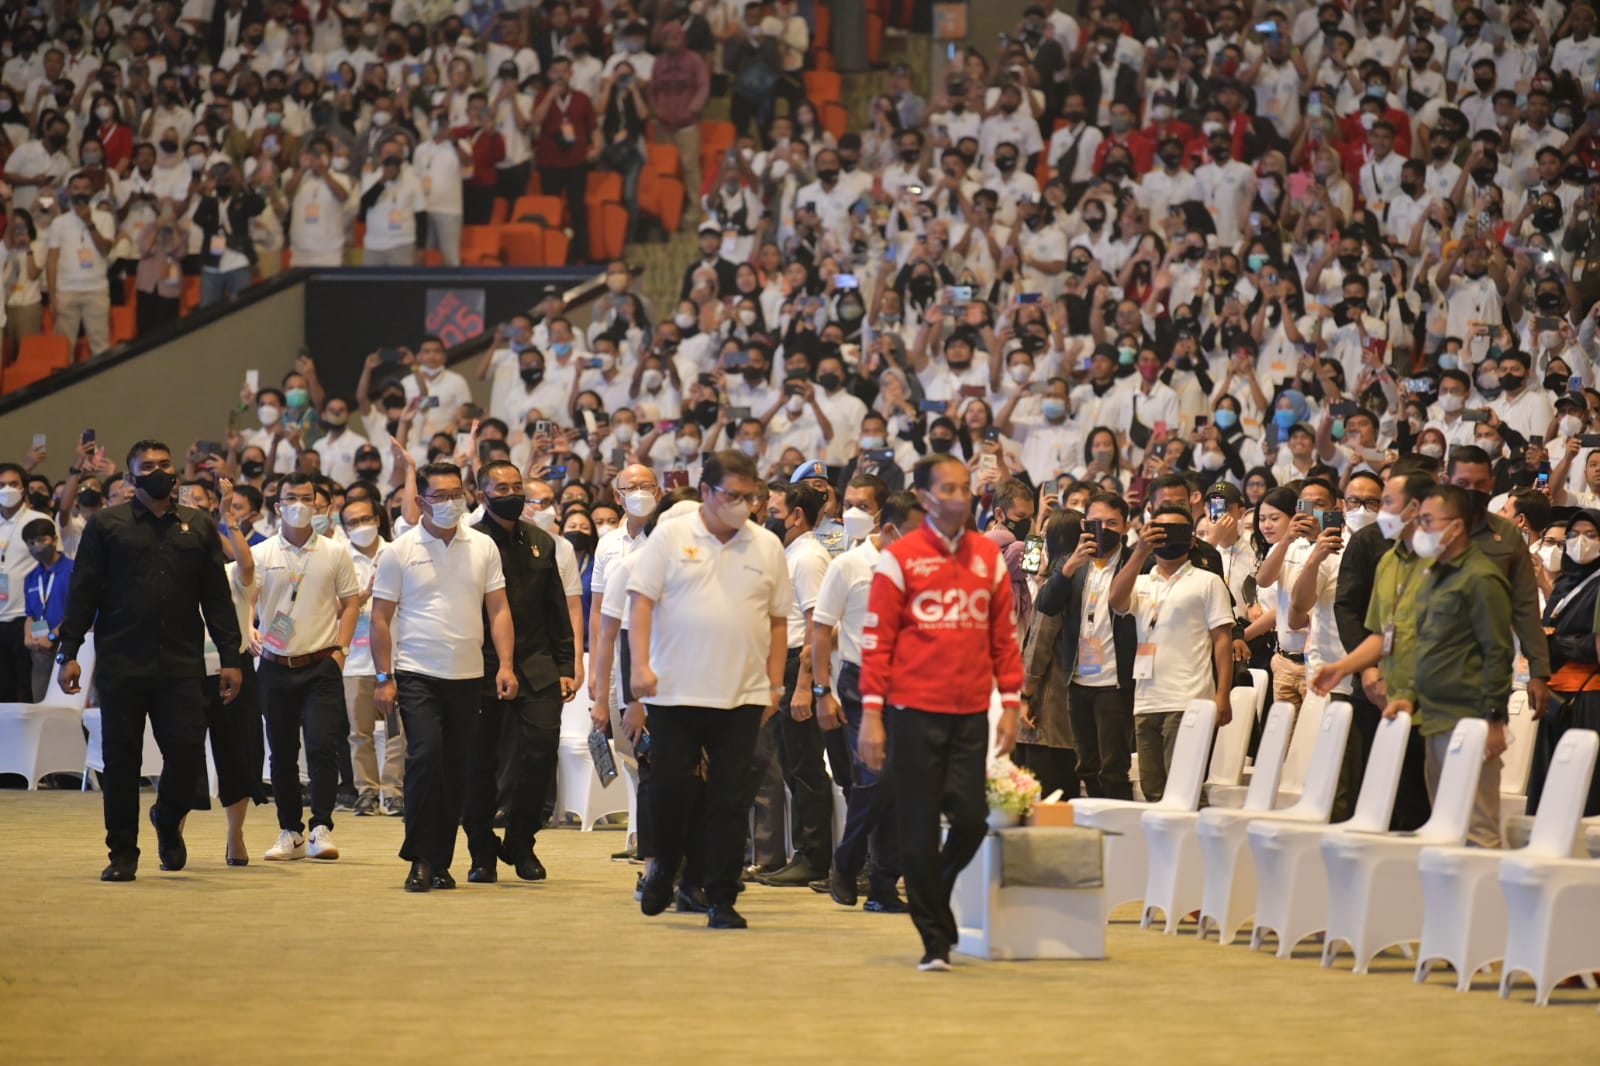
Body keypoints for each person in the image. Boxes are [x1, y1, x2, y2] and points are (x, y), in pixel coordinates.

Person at [857, 452, 1024, 971]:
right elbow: (877, 642)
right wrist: (871, 714)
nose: (959, 496)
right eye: (947, 489)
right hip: (911, 714)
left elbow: (1003, 636)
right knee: (918, 829)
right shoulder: (900, 558)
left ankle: (936, 885)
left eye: (964, 488)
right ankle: (935, 938)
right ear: (925, 498)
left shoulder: (987, 557)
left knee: (972, 821)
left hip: (972, 712)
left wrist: (1011, 705)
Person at [54, 440, 244, 881]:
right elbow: (83, 591)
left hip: (181, 663)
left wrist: (230, 656)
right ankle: (122, 852)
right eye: (148, 466)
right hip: (122, 661)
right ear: (130, 476)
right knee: (122, 761)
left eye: (164, 464)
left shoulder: (196, 526)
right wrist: (69, 652)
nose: (158, 471)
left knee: (186, 755)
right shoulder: (106, 525)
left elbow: (216, 598)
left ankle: (167, 815)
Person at [628, 449, 790, 930]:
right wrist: (639, 668)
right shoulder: (671, 536)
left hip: (742, 693)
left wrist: (775, 684)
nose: (741, 505)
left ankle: (720, 895)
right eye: (731, 496)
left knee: (729, 797)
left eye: (749, 497)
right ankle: (662, 866)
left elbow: (779, 620)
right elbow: (639, 604)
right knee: (671, 789)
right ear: (705, 492)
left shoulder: (766, 546)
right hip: (674, 689)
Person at [1318, 484, 1513, 848]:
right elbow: (1419, 645)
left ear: (1455, 527)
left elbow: (1497, 652)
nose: (1419, 528)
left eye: (1427, 520)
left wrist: (1494, 718)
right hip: (1433, 716)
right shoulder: (1433, 577)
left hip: (1469, 717)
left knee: (1478, 832)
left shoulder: (1481, 578)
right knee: (1444, 830)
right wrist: (1405, 695)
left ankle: (1482, 906)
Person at [371, 462, 518, 892]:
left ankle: (440, 861)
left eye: (458, 494)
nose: (452, 504)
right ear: (420, 502)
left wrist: (505, 664)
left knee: (457, 770)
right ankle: (418, 857)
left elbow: (499, 608)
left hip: (468, 674)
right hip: (417, 672)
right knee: (426, 760)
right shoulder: (400, 550)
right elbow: (380, 618)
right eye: (441, 496)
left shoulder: (483, 546)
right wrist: (384, 676)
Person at [461, 460, 577, 885]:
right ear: (481, 495)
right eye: (501, 487)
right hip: (480, 667)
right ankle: (481, 851)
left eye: (516, 487)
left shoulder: (542, 543)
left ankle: (520, 842)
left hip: (539, 666)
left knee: (540, 753)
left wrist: (566, 665)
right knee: (480, 764)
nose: (511, 494)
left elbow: (557, 612)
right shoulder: (469, 543)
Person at [810, 490, 920, 910]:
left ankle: (882, 885)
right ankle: (847, 860)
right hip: (860, 681)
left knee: (900, 782)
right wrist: (822, 690)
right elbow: (821, 631)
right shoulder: (849, 565)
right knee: (875, 776)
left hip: (909, 682)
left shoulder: (920, 566)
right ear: (889, 529)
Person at [253, 472, 361, 862]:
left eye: (306, 498)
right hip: (274, 665)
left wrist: (341, 651)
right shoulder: (263, 553)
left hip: (321, 664)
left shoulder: (335, 551)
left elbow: (351, 603)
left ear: (319, 505)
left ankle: (321, 827)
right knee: (281, 752)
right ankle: (290, 832)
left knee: (321, 746)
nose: (298, 504)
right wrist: (249, 628)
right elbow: (245, 598)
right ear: (278, 505)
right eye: (290, 498)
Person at [1108, 502, 1234, 802]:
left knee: (1185, 792)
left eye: (1176, 531)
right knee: (1153, 793)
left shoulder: (1208, 581)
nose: (1166, 538)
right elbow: (1115, 601)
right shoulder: (1141, 581)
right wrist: (1139, 551)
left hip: (1189, 699)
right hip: (1146, 702)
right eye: (1159, 531)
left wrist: (1222, 696)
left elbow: (1223, 641)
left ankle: (1194, 849)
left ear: (1192, 539)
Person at [752, 480, 835, 888]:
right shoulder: (788, 553)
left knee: (805, 767)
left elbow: (819, 624)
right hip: (781, 665)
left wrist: (805, 685)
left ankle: (814, 857)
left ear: (797, 515)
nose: (766, 515)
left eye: (773, 509)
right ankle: (804, 852)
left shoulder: (808, 558)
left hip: (798, 666)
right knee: (791, 764)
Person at [1034, 491, 1138, 799]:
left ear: (1125, 526)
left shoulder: (1134, 562)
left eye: (1111, 523)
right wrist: (1066, 569)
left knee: (1113, 767)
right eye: (1096, 522)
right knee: (1086, 766)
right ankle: (1095, 826)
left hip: (1115, 679)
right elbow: (1046, 605)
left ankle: (1120, 832)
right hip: (1077, 678)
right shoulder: (1071, 561)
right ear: (1084, 524)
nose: (1103, 529)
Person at [339, 496, 404, 818]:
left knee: (397, 732)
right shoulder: (340, 558)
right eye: (353, 522)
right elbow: (329, 608)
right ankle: (366, 791)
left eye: (366, 518)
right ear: (344, 528)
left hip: (397, 655)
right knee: (359, 732)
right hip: (356, 660)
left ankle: (393, 792)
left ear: (378, 519)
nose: (361, 526)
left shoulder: (396, 552)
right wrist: (363, 594)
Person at [1018, 509, 1082, 801]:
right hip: (1070, 705)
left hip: (1046, 704)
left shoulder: (1059, 581)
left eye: (1044, 537)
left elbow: (1040, 640)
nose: (1039, 543)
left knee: (1044, 799)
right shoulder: (1082, 574)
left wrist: (1025, 692)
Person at [0, 464, 55, 702]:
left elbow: (52, 570)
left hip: (28, 617)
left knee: (28, 687)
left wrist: (45, 627)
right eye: (1, 485)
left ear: (23, 489)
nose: (7, 489)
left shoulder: (38, 521)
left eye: (13, 484)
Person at [45, 172, 114, 355]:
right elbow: (51, 260)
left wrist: (89, 222)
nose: (80, 192)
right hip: (66, 291)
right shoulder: (59, 222)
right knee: (63, 349)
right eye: (76, 188)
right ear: (68, 191)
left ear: (92, 191)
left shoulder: (104, 218)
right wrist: (52, 295)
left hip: (96, 290)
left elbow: (105, 250)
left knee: (100, 347)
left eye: (85, 188)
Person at [20, 518, 71, 701]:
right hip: (41, 651)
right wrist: (28, 637)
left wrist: (52, 637)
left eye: (42, 540)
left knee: (69, 705)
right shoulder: (31, 577)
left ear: (55, 539)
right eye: (31, 543)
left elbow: (78, 613)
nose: (37, 546)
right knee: (40, 704)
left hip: (69, 647)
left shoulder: (73, 570)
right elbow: (30, 615)